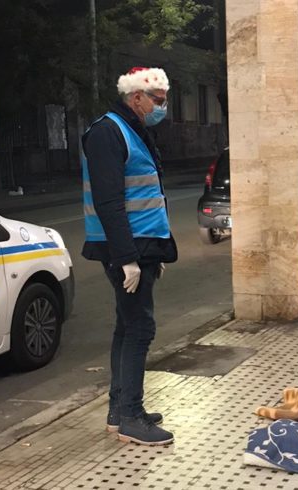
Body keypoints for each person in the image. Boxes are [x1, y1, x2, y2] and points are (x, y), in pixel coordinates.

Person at [82, 66, 178, 445]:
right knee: (140, 328)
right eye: (158, 100)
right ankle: (131, 418)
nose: (162, 107)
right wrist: (127, 258)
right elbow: (108, 201)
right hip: (124, 247)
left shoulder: (134, 130)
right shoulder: (108, 132)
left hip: (141, 245)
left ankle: (119, 409)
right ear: (136, 97)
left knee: (127, 325)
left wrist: (155, 252)